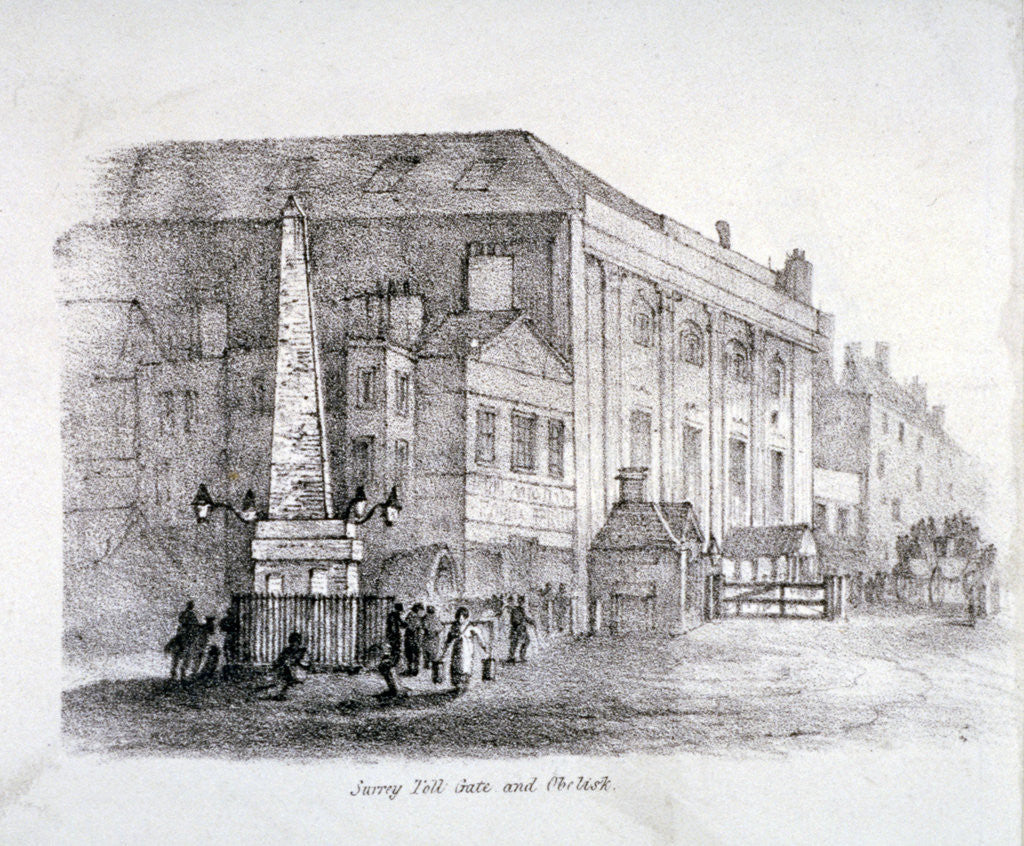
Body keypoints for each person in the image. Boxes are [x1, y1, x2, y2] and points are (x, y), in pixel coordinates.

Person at [442, 607, 489, 694]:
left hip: (467, 650)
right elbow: (449, 640)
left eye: (462, 617)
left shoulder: (471, 627)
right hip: (457, 650)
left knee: (465, 667)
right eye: (459, 617)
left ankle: (464, 686)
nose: (460, 619)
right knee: (456, 666)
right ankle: (458, 686)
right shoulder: (454, 627)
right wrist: (444, 651)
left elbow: (480, 638)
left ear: (466, 617)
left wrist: (484, 647)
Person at [267, 632, 309, 700]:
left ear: (299, 643)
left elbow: (306, 664)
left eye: (295, 642)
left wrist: (295, 662)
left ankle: (284, 691)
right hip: (285, 673)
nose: (293, 644)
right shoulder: (286, 651)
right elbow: (279, 661)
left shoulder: (303, 652)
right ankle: (278, 691)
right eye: (292, 642)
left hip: (297, 673)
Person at [165, 600, 199, 681]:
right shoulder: (189, 614)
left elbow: (183, 621)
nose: (192, 606)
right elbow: (193, 623)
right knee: (188, 648)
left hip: (183, 630)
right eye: (191, 605)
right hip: (186, 631)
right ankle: (181, 672)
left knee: (176, 657)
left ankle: (175, 672)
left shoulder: (185, 613)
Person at [507, 596, 536, 663]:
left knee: (526, 641)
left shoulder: (522, 609)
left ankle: (522, 656)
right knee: (514, 643)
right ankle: (511, 657)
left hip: (522, 629)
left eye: (522, 602)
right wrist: (520, 622)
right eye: (520, 602)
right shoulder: (515, 610)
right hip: (516, 629)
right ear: (518, 602)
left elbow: (525, 617)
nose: (521, 603)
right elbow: (514, 620)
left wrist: (531, 621)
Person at [402, 603, 425, 676]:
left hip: (412, 638)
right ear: (417, 609)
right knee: (413, 654)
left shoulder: (412, 616)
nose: (421, 611)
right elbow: (411, 627)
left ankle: (412, 669)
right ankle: (413, 670)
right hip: (413, 638)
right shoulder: (413, 616)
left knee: (411, 655)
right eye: (421, 610)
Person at [420, 605, 445, 670]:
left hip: (428, 637)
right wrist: (437, 631)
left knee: (427, 651)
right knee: (433, 651)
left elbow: (422, 627)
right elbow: (440, 628)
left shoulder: (425, 618)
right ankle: (431, 664)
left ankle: (427, 664)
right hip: (433, 638)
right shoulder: (435, 618)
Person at [385, 602, 406, 672]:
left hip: (391, 636)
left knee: (393, 651)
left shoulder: (391, 615)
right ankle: (391, 666)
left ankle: (391, 666)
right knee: (396, 651)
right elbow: (401, 625)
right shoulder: (395, 615)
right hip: (394, 637)